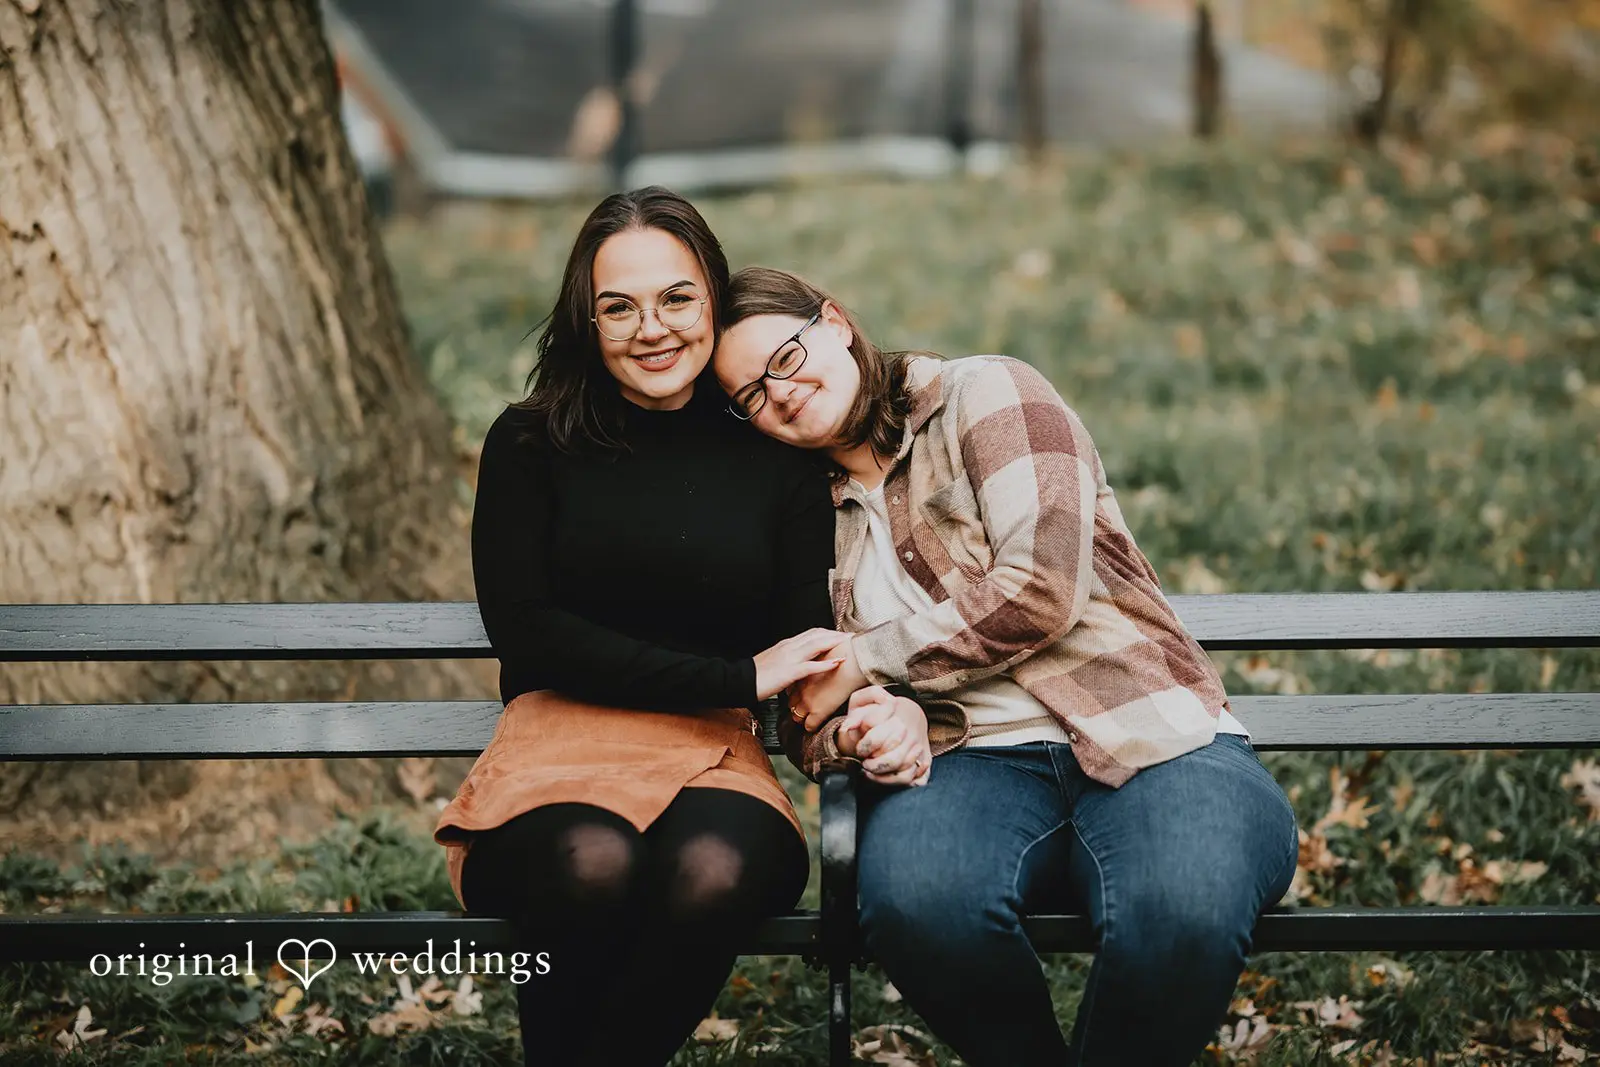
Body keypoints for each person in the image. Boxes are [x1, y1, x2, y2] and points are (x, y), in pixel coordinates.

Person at [712, 266, 1301, 1067]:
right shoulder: (796, 512)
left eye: (785, 357)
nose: (779, 394)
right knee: (919, 903)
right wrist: (869, 727)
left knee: (1184, 907)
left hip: (1148, 734)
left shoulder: (984, 394)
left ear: (836, 323)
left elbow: (1042, 587)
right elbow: (806, 711)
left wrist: (869, 658)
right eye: (749, 394)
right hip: (965, 767)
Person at [433, 190, 849, 1066]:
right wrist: (734, 677)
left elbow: (802, 640)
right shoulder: (531, 443)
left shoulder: (773, 456)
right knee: (593, 859)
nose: (652, 328)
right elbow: (530, 635)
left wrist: (853, 705)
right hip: (554, 748)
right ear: (586, 320)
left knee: (714, 869)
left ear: (713, 298)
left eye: (677, 298)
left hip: (716, 756)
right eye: (618, 307)